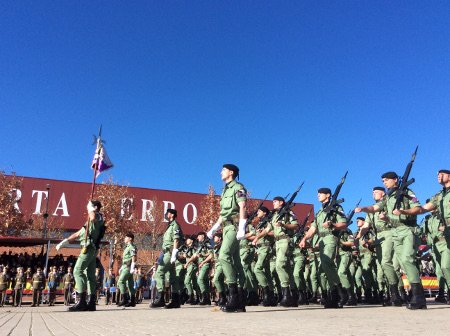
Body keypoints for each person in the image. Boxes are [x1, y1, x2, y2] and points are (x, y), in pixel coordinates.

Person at [355, 171, 426, 310]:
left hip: (407, 229)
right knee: (398, 263)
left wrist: (404, 212)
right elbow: (375, 207)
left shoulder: (407, 192)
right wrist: (363, 209)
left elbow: (418, 208)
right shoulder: (387, 197)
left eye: (386, 180)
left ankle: (418, 295)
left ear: (395, 180)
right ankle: (402, 294)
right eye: (383, 181)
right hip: (395, 232)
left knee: (406, 260)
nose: (385, 183)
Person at [399, 169, 450, 305]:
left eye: (442, 174)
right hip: (444, 238)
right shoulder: (439, 195)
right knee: (444, 267)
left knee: (445, 266)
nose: (438, 176)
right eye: (437, 174)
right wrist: (405, 211)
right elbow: (422, 209)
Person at [207, 164, 247, 312]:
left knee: (223, 256)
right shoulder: (225, 190)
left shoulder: (239, 187)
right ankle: (241, 300)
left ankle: (233, 295)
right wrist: (213, 228)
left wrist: (242, 226)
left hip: (235, 226)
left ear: (231, 172)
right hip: (226, 227)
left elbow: (242, 206)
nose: (220, 172)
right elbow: (223, 214)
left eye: (223, 170)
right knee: (236, 261)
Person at [300, 188, 348, 308]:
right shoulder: (320, 212)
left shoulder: (336, 208)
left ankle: (340, 292)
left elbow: (343, 224)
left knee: (327, 263)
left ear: (328, 195)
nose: (318, 196)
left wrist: (332, 224)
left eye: (320, 194)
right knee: (323, 269)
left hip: (331, 237)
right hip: (321, 240)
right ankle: (333, 295)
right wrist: (304, 239)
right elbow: (313, 228)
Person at [56, 200, 106, 311]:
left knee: (77, 271)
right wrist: (65, 241)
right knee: (90, 275)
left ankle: (81, 301)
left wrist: (91, 209)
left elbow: (93, 217)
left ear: (95, 207)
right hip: (91, 249)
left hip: (89, 248)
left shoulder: (98, 216)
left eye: (90, 206)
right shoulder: (89, 222)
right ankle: (91, 302)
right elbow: (78, 233)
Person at [151, 208, 182, 309]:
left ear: (171, 214)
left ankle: (160, 299)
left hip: (170, 253)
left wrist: (174, 253)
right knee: (173, 277)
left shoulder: (175, 225)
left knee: (159, 273)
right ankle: (175, 301)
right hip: (166, 253)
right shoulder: (169, 226)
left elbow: (176, 240)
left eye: (167, 213)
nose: (166, 215)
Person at [118, 233, 137, 307]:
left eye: (126, 237)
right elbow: (126, 258)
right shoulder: (127, 247)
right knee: (130, 285)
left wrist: (132, 266)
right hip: (125, 266)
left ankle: (125, 299)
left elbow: (134, 257)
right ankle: (132, 301)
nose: (124, 239)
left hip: (128, 267)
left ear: (130, 239)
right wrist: (122, 267)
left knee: (121, 281)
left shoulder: (131, 246)